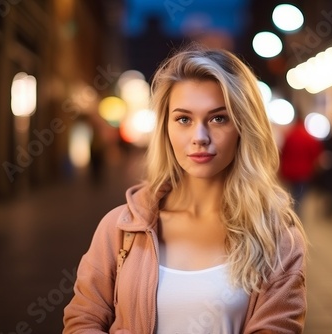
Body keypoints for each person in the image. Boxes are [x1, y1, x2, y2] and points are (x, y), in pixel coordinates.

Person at [63, 44, 307, 333]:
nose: (199, 137)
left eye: (219, 118)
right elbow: (83, 320)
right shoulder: (121, 229)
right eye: (184, 119)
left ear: (244, 126)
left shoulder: (277, 238)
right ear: (166, 128)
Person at [279, 116, 323, 213]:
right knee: (299, 198)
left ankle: (286, 215)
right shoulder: (309, 138)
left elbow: (282, 153)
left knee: (287, 196)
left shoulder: (289, 135)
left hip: (288, 171)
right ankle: (295, 218)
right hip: (303, 173)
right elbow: (315, 155)